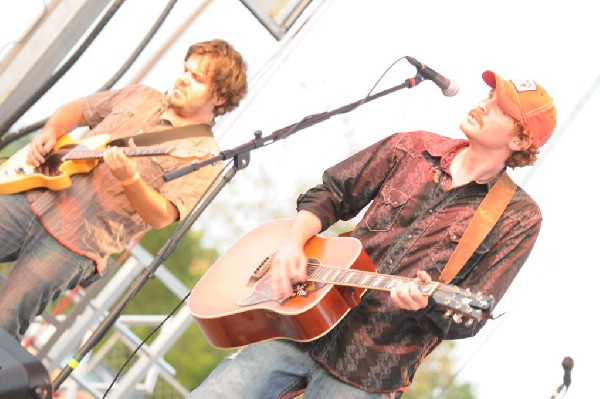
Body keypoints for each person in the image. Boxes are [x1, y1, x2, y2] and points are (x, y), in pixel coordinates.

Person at [187, 69, 557, 399]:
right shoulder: (411, 147)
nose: (482, 105)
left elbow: (473, 311)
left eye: (499, 109)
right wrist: (291, 245)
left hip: (367, 372)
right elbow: (331, 193)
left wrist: (426, 302)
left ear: (521, 142)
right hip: (297, 323)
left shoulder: (518, 217)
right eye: (488, 97)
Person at [0, 39, 248, 342]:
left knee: (5, 320)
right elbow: (77, 110)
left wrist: (130, 180)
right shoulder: (141, 95)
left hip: (74, 243)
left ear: (220, 97)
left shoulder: (203, 155)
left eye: (197, 78)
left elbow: (162, 216)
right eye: (186, 69)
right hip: (32, 195)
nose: (183, 78)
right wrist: (50, 133)